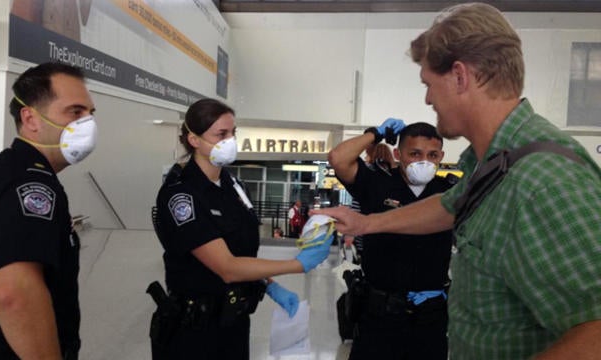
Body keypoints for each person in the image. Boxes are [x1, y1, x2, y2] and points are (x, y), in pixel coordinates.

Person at [314, 3, 601, 359]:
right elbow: (449, 206)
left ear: (460, 76)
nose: (427, 98)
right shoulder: (494, 165)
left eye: (429, 84)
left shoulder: (542, 180)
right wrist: (367, 222)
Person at [151, 98, 334, 360]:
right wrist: (297, 265)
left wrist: (268, 284)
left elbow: (241, 251)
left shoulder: (233, 186)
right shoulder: (181, 195)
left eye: (233, 133)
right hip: (194, 331)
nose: (230, 140)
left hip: (233, 321)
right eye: (221, 134)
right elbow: (226, 266)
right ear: (194, 140)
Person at [0, 62, 96, 359]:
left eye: (90, 113)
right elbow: (14, 292)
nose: (88, 123)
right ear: (30, 118)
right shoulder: (30, 183)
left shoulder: (11, 169)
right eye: (75, 112)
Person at [329, 120, 455, 359]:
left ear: (441, 156)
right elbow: (339, 159)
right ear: (398, 154)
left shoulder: (448, 191)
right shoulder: (378, 182)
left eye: (432, 155)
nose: (424, 161)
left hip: (430, 317)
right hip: (379, 314)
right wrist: (375, 134)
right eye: (415, 153)